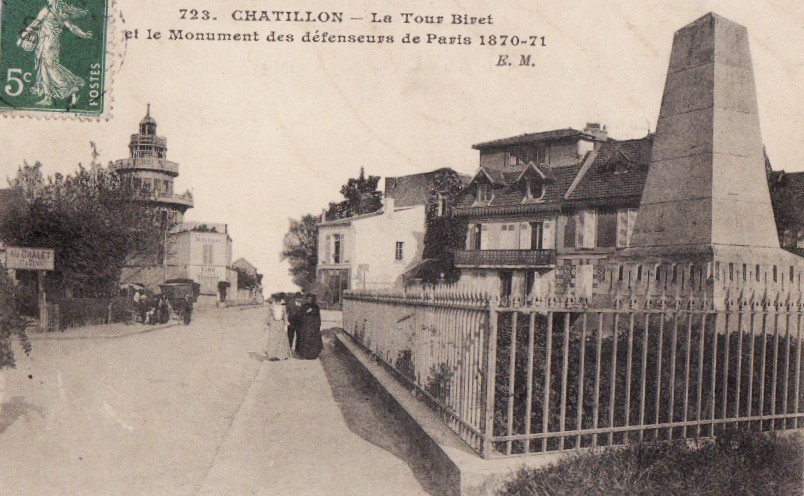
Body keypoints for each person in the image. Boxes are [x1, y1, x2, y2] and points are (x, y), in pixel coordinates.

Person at [18, 0, 93, 106]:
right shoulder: (60, 12)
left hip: (47, 43)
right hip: (53, 43)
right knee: (45, 68)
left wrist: (21, 38)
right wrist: (84, 34)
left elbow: (34, 24)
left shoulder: (46, 10)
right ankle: (48, 97)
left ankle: (72, 89)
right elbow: (72, 27)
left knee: (51, 69)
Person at [296, 293, 323, 360]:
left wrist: (318, 325)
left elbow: (318, 317)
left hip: (313, 327)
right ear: (307, 299)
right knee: (305, 340)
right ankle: (304, 355)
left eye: (311, 299)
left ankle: (312, 355)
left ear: (313, 299)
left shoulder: (316, 307)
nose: (309, 300)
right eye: (308, 299)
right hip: (306, 326)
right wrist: (306, 312)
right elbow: (300, 315)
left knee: (313, 341)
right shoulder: (304, 306)